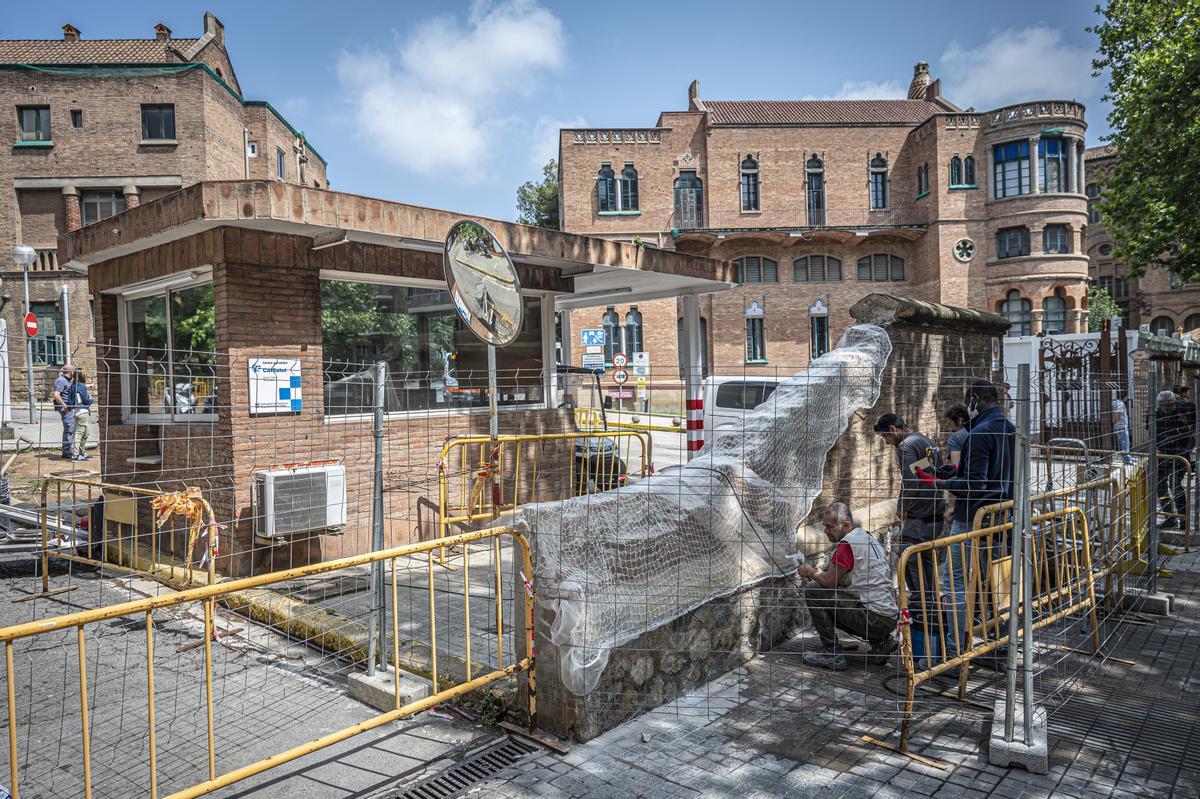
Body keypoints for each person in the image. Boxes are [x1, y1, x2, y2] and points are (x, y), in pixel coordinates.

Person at [935, 380, 1016, 659]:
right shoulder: (1008, 428)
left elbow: (975, 485)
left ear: (973, 401)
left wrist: (941, 483)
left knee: (956, 583)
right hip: (1000, 516)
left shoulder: (980, 432)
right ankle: (1000, 644)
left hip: (973, 519)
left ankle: (955, 651)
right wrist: (954, 474)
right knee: (996, 582)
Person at [874, 413, 945, 665]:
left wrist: (904, 507)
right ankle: (936, 645)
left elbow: (911, 481)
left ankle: (921, 650)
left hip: (918, 521)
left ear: (893, 429)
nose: (885, 441)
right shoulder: (925, 441)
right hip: (935, 517)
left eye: (885, 436)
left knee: (915, 584)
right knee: (931, 584)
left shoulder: (905, 445)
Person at [797, 502, 899, 671]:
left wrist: (809, 571)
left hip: (874, 619)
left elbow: (829, 582)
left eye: (829, 527)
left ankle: (832, 653)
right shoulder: (865, 536)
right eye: (824, 527)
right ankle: (881, 642)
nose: (825, 531)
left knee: (813, 591)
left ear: (845, 525)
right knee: (834, 596)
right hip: (889, 618)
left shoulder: (846, 545)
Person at [1150, 390, 1190, 528]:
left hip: (1179, 456)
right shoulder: (1156, 415)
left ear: (1173, 403)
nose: (1166, 407)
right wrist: (1155, 448)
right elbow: (1152, 434)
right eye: (1163, 404)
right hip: (1161, 455)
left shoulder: (1181, 413)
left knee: (1176, 486)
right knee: (1160, 487)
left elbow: (1189, 436)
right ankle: (1170, 517)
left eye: (1169, 404)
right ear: (1159, 404)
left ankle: (1183, 519)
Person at [52, 362, 83, 462]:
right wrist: (64, 406)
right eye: (73, 370)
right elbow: (56, 395)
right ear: (70, 371)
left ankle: (69, 450)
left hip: (70, 407)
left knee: (72, 428)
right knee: (69, 428)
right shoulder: (60, 381)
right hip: (66, 408)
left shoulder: (69, 380)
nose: (75, 372)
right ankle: (67, 452)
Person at [67, 369, 94, 460]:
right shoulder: (81, 386)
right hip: (83, 412)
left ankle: (82, 452)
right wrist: (91, 400)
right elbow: (85, 400)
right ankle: (75, 454)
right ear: (82, 377)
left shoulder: (72, 386)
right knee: (79, 434)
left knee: (86, 433)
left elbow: (70, 401)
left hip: (77, 412)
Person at [1112, 388, 1130, 460]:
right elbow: (1117, 414)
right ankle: (1127, 460)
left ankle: (1124, 458)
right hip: (1121, 426)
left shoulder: (1114, 402)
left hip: (1117, 427)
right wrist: (1113, 421)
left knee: (1120, 444)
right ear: (1125, 396)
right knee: (1125, 445)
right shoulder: (1120, 403)